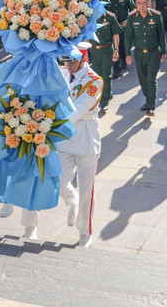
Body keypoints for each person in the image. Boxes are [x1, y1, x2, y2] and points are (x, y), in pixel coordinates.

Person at [58, 42, 104, 248]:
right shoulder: (63, 74)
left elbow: (80, 109)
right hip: (66, 141)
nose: (67, 65)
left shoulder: (94, 81)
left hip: (85, 140)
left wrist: (53, 125)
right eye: (65, 61)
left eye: (71, 62)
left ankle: (85, 233)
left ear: (82, 60)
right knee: (59, 180)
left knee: (87, 190)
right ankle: (71, 201)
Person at [124, 0, 167, 116]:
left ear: (148, 3)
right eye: (139, 3)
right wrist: (127, 54)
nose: (141, 6)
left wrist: (163, 51)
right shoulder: (132, 17)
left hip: (153, 53)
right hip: (139, 53)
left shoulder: (156, 15)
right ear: (136, 4)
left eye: (144, 3)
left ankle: (151, 105)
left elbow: (161, 34)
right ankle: (149, 99)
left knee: (151, 79)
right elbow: (128, 37)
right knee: (143, 80)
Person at [88, 10, 122, 112]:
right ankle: (106, 93)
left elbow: (116, 35)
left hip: (106, 49)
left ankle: (104, 101)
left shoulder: (110, 17)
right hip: (94, 50)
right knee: (97, 75)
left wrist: (116, 50)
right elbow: (87, 35)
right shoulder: (89, 17)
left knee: (106, 75)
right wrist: (85, 53)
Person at [105, 0, 135, 78]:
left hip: (123, 26)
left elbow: (134, 10)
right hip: (112, 28)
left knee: (123, 46)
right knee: (115, 47)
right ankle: (117, 69)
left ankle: (124, 61)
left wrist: (128, 20)